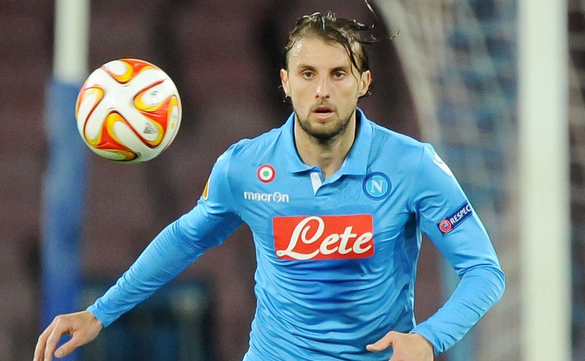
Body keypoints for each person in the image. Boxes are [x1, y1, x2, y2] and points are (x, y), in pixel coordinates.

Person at [34, 10, 505, 361]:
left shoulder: (413, 166)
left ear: (363, 82)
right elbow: (185, 238)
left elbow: (484, 271)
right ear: (285, 82)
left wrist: (429, 338)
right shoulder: (243, 168)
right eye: (307, 74)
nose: (322, 90)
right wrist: (100, 312)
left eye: (338, 74)